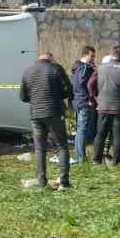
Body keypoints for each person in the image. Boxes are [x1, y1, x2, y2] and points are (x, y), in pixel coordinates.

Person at [19, 49, 72, 190]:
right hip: (54, 112)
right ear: (51, 58)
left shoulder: (27, 71)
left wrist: (36, 99)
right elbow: (68, 89)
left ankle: (42, 181)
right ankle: (64, 182)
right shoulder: (56, 68)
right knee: (61, 145)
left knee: (40, 148)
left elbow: (23, 97)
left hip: (36, 114)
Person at [89, 44, 120, 164]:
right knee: (118, 135)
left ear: (111, 54)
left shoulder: (101, 68)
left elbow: (90, 84)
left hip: (103, 106)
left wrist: (95, 98)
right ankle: (116, 161)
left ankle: (96, 159)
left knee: (100, 134)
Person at [71, 46, 97, 161]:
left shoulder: (78, 67)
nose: (93, 59)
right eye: (92, 56)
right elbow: (82, 86)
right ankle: (81, 157)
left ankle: (79, 155)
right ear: (85, 55)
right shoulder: (84, 69)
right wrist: (90, 99)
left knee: (80, 129)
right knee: (82, 129)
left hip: (78, 101)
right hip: (84, 102)